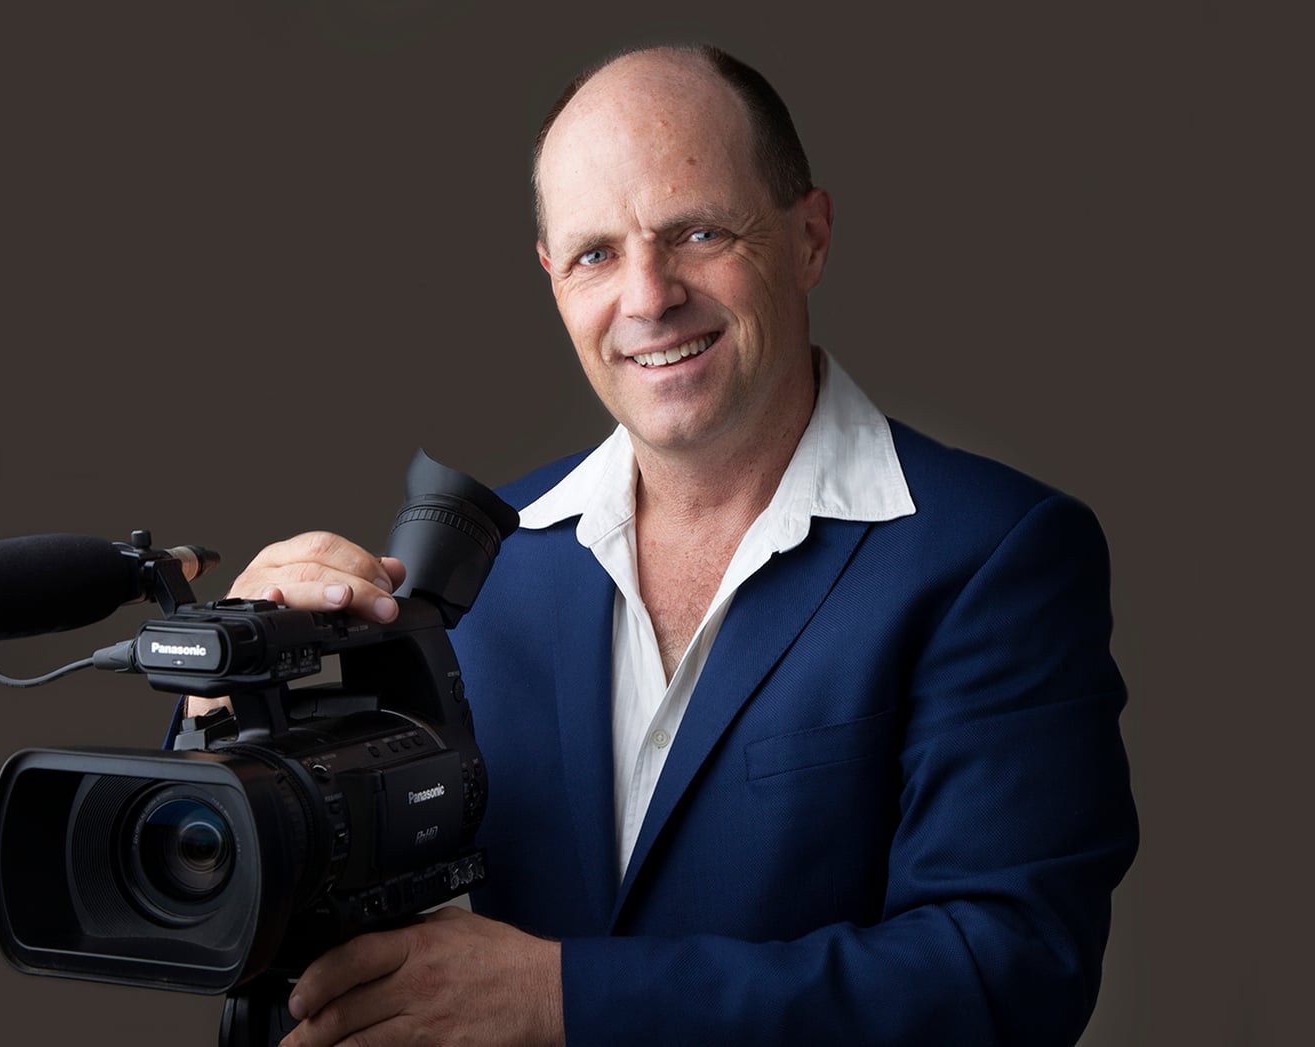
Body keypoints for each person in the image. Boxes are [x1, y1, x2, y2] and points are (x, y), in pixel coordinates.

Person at [187, 43, 1138, 1047]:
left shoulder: (992, 556)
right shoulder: (479, 565)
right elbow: (278, 882)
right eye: (595, 254)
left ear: (809, 237)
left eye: (696, 232)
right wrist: (228, 702)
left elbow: (1004, 974)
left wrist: (562, 1001)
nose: (646, 296)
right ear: (553, 280)